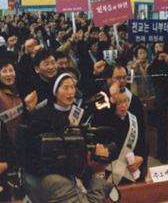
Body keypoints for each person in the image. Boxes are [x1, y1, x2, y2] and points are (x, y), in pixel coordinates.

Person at [18, 73, 113, 203]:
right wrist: (99, 173)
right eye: (65, 88)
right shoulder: (57, 184)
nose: (70, 92)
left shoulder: (29, 170)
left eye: (72, 87)